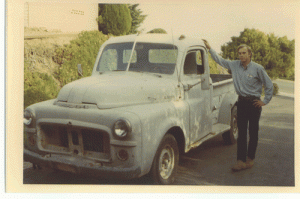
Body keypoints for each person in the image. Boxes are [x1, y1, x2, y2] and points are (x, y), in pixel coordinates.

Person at [202, 39, 273, 172]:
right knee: (241, 134)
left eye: (244, 53)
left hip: (254, 104)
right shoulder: (234, 65)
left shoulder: (258, 68)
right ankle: (240, 161)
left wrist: (264, 101)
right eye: (239, 53)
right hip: (241, 102)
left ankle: (250, 159)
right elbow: (220, 60)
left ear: (249, 54)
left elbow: (269, 85)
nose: (241, 55)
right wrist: (210, 48)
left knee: (253, 132)